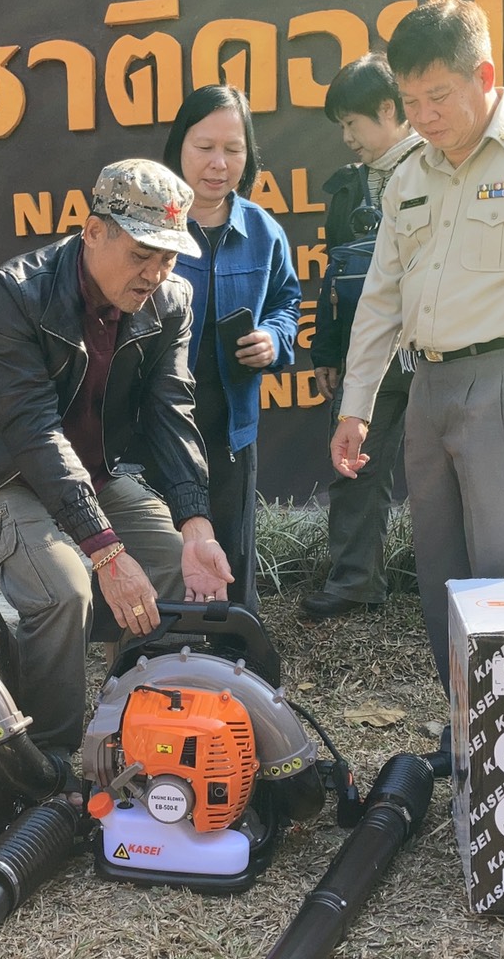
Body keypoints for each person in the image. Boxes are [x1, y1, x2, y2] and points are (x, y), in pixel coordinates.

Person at [327, 1, 504, 712]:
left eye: (439, 96)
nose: (424, 116)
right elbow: (380, 300)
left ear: (484, 76)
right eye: (410, 101)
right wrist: (356, 406)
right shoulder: (409, 176)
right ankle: (465, 728)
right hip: (429, 386)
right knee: (442, 576)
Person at [0, 159, 234, 751]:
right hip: (8, 472)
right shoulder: (15, 292)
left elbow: (171, 410)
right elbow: (32, 429)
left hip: (97, 471)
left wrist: (196, 524)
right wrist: (106, 551)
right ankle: (46, 759)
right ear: (94, 231)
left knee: (172, 564)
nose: (155, 274)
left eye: (169, 257)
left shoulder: (172, 299)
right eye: (142, 255)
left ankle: (131, 736)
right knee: (65, 591)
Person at [161, 84, 302, 616]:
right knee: (164, 553)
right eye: (204, 147)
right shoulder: (154, 227)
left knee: (230, 555)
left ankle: (231, 650)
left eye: (233, 149)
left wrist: (274, 337)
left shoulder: (262, 231)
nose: (218, 164)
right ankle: (158, 652)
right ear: (179, 146)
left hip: (231, 427)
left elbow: (287, 302)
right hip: (158, 424)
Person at [301, 54, 427, 621]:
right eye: (341, 127)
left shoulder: (435, 167)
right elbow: (335, 275)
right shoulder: (348, 187)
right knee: (355, 468)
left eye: (352, 123)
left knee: (447, 468)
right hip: (366, 354)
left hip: (433, 348)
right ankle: (355, 582)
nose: (347, 137)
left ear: (389, 108)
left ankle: (458, 581)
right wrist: (327, 350)